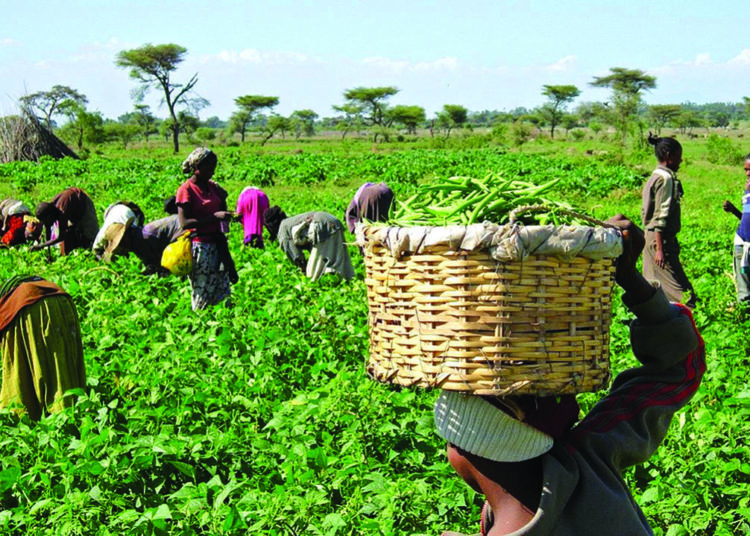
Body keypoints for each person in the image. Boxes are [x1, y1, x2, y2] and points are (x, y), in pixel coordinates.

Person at [435, 216, 705, 536]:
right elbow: (679, 368)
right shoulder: (585, 460)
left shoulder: (585, 457)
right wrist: (629, 278)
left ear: (461, 450)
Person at [0, 275, 86, 421]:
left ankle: (25, 420)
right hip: (62, 299)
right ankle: (71, 414)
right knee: (62, 362)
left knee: (18, 373)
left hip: (27, 306)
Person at [175, 147, 236, 310]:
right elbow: (185, 223)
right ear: (197, 168)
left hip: (218, 244)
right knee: (202, 291)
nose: (212, 173)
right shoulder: (186, 190)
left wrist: (225, 206)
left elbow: (221, 207)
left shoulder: (212, 187)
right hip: (200, 247)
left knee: (222, 290)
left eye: (214, 168)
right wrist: (214, 217)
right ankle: (200, 326)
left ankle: (223, 325)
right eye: (209, 169)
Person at [641, 134, 697, 308]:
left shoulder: (655, 176)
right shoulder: (666, 179)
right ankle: (690, 323)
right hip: (659, 240)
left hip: (650, 238)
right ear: (668, 156)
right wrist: (660, 249)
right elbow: (660, 215)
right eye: (678, 156)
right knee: (684, 293)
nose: (681, 160)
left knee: (653, 287)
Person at [264, 206, 355, 282]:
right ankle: (347, 281)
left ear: (272, 226)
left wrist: (303, 265)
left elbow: (295, 254)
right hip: (334, 221)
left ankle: (319, 287)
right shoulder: (290, 221)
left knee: (313, 275)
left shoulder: (282, 229)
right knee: (339, 260)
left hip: (321, 225)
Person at [31, 187, 99, 256]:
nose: (45, 223)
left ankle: (96, 255)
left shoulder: (62, 212)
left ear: (49, 216)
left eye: (45, 221)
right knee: (72, 232)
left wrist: (41, 246)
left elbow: (61, 237)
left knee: (91, 236)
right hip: (72, 210)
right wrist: (49, 254)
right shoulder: (50, 210)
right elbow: (47, 230)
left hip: (83, 205)